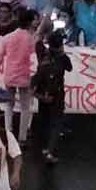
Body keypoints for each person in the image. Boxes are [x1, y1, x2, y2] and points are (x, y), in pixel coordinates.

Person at [0, 10, 37, 148]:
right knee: (25, 107)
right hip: (24, 75)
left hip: (10, 75)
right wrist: (34, 75)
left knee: (9, 105)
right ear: (30, 22)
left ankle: (8, 133)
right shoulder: (30, 39)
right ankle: (22, 137)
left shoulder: (8, 37)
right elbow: (33, 60)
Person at [32, 33, 72, 164]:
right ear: (60, 45)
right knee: (56, 123)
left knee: (44, 121)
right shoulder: (63, 58)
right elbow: (70, 68)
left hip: (42, 95)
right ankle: (50, 151)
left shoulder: (42, 54)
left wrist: (41, 97)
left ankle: (44, 148)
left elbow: (38, 39)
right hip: (57, 95)